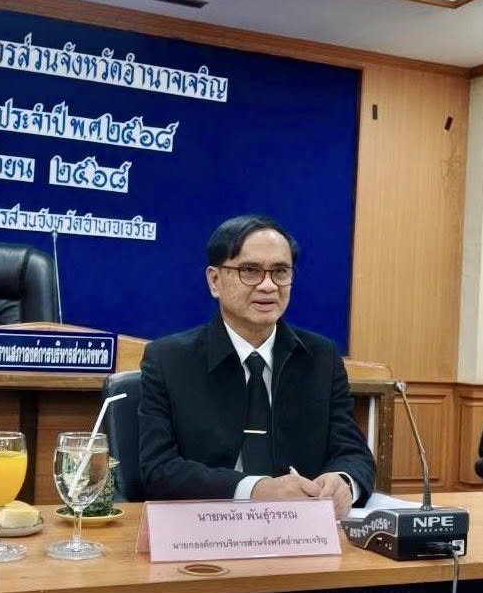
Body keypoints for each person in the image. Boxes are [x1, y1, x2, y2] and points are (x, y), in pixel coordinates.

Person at [138, 215, 375, 518]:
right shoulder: (168, 359)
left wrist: (343, 481)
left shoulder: (321, 357)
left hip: (301, 529)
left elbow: (354, 453)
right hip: (204, 528)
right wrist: (254, 490)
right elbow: (158, 471)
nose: (268, 286)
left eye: (280, 272)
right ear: (214, 280)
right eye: (250, 271)